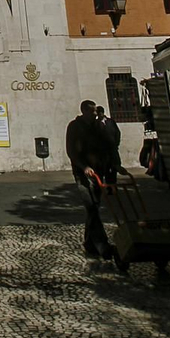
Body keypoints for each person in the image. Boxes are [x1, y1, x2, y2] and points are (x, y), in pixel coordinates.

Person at [67, 99, 118, 261]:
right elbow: (71, 151)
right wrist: (83, 167)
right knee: (91, 206)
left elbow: (108, 144)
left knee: (95, 205)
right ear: (84, 111)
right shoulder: (75, 127)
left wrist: (113, 165)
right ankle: (102, 245)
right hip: (83, 173)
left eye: (96, 111)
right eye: (93, 111)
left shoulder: (97, 126)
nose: (96, 113)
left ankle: (89, 243)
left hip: (98, 171)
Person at [96, 105, 123, 175]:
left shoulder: (110, 121)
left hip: (112, 149)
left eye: (101, 112)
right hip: (102, 151)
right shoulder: (96, 123)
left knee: (114, 168)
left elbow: (117, 132)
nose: (100, 114)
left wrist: (116, 144)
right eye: (98, 113)